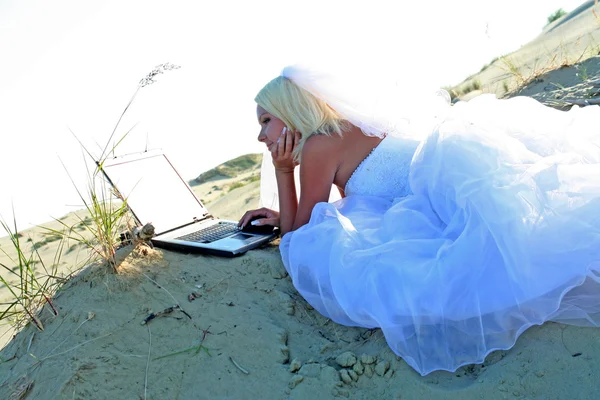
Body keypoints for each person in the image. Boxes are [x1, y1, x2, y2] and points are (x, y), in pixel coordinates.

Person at [238, 64, 600, 376]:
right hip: (447, 189)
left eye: (266, 120)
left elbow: (296, 238)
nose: (261, 135)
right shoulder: (346, 128)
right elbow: (351, 200)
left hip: (440, 205)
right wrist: (281, 215)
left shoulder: (319, 145)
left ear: (289, 110)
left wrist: (283, 170)